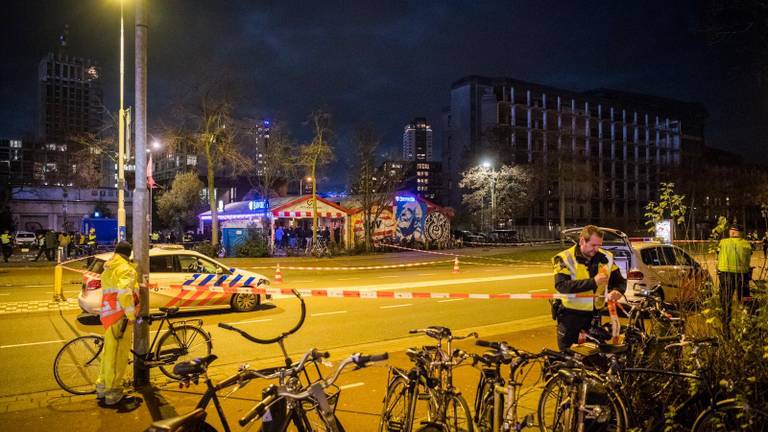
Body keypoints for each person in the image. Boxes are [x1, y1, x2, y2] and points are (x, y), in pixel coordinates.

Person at [552, 225, 626, 352]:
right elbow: (562, 286)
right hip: (570, 318)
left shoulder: (606, 257)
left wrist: (617, 291)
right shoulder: (564, 258)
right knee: (568, 359)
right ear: (582, 241)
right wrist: (593, 282)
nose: (597, 249)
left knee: (595, 357)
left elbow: (620, 281)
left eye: (599, 245)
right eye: (593, 245)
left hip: (594, 317)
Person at [96, 241, 139, 406]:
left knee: (108, 354)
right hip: (119, 316)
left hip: (108, 314)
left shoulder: (108, 266)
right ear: (128, 254)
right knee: (118, 356)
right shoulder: (126, 269)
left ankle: (102, 386)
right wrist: (131, 315)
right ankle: (113, 393)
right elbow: (124, 293)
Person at [717, 223, 753, 337]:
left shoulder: (723, 242)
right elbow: (749, 256)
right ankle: (746, 327)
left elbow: (717, 253)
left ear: (731, 232)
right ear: (740, 233)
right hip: (742, 276)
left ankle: (726, 330)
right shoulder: (746, 244)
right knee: (745, 300)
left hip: (725, 275)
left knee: (725, 302)